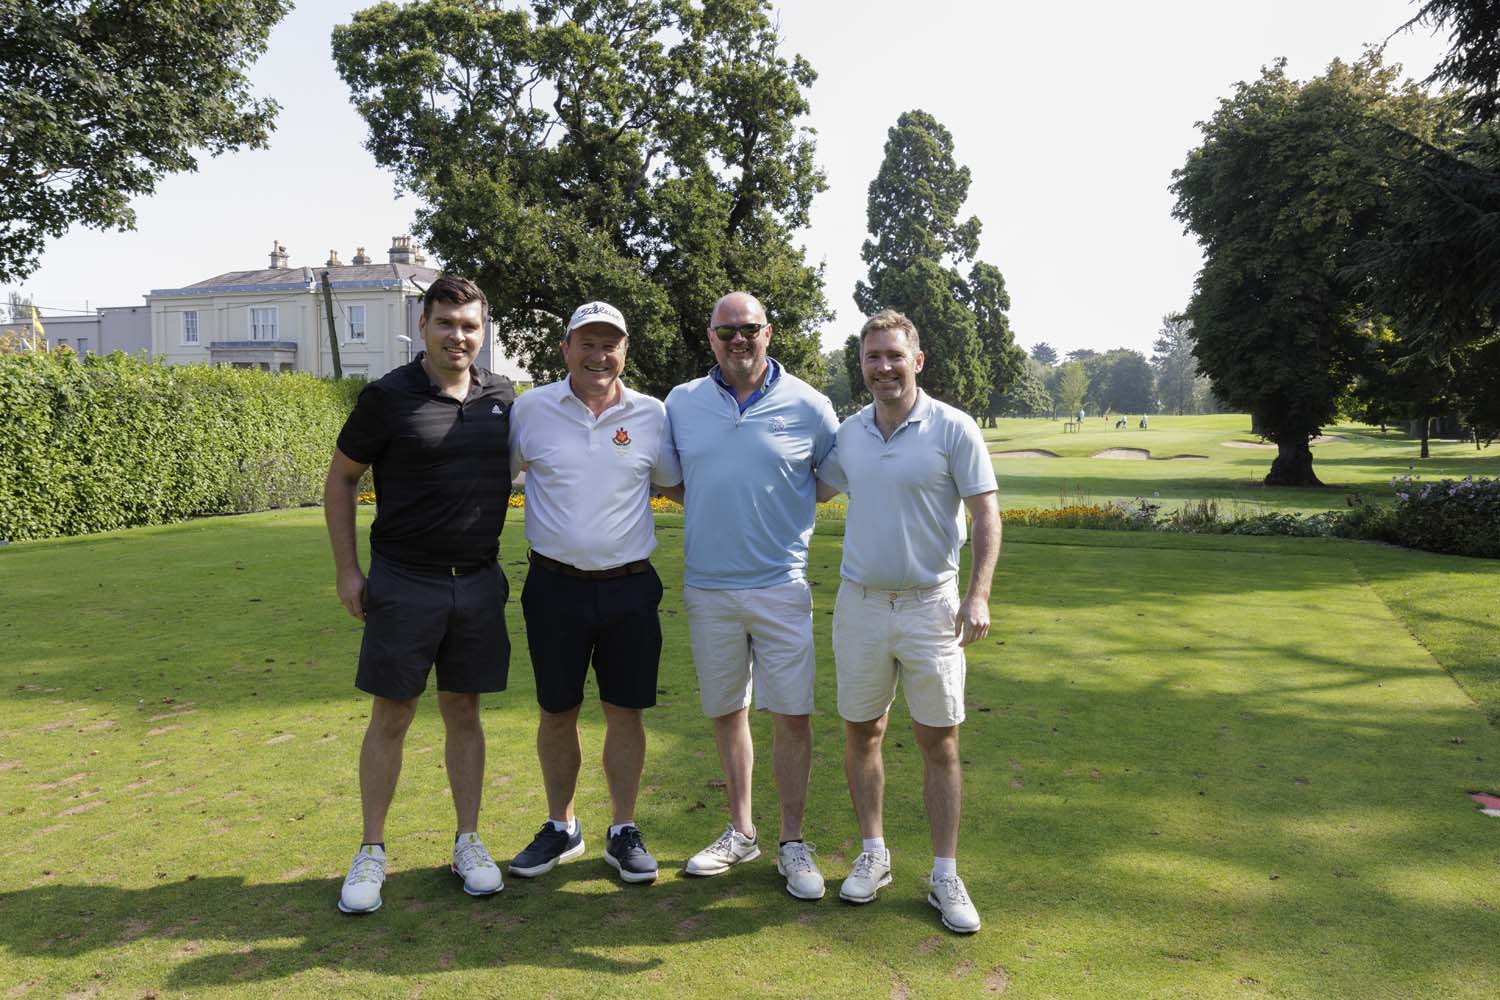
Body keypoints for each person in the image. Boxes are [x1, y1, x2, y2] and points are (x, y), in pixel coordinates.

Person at [323, 275, 516, 914]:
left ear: (482, 331)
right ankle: (371, 850)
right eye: (446, 323)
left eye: (469, 326)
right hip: (404, 582)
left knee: (464, 710)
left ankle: (468, 841)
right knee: (393, 714)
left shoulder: (503, 396)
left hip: (478, 582)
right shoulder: (387, 397)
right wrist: (348, 571)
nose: (458, 336)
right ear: (424, 325)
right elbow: (341, 479)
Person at [816, 309, 1001, 935]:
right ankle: (874, 855)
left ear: (916, 361)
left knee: (939, 741)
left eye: (895, 355)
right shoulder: (849, 435)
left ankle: (945, 874)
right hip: (861, 604)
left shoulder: (953, 427)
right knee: (862, 732)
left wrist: (978, 596)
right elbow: (808, 488)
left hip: (932, 606)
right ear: (861, 365)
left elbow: (986, 515)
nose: (884, 367)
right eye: (873, 357)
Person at [662, 291, 839, 900]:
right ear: (710, 336)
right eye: (726, 330)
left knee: (791, 714)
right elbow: (675, 480)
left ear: (769, 333)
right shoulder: (682, 402)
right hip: (709, 588)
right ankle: (741, 832)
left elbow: (826, 483)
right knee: (727, 711)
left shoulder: (811, 405)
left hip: (781, 585)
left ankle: (792, 841)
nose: (738, 339)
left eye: (749, 328)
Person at [506, 301, 681, 885]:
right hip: (553, 587)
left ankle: (623, 829)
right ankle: (562, 825)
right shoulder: (531, 409)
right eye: (587, 342)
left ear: (624, 351)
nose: (598, 355)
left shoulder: (652, 414)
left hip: (630, 588)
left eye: (610, 344)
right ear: (566, 349)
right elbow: (492, 478)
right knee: (557, 711)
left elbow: (678, 485)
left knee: (625, 713)